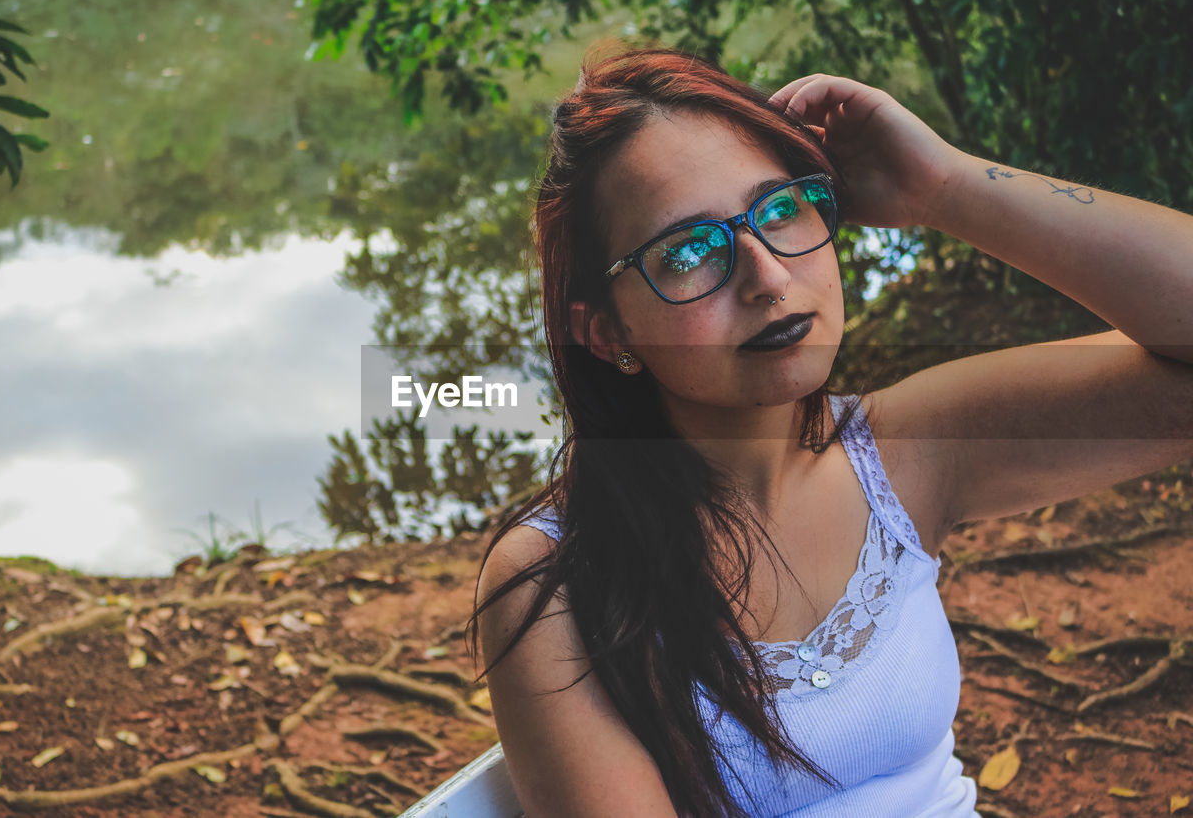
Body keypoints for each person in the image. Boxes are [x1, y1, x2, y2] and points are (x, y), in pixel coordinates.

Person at [467, 45, 1193, 817]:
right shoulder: (554, 583)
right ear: (606, 331)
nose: (768, 277)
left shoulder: (907, 453)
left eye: (780, 209)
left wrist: (942, 186)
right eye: (687, 250)